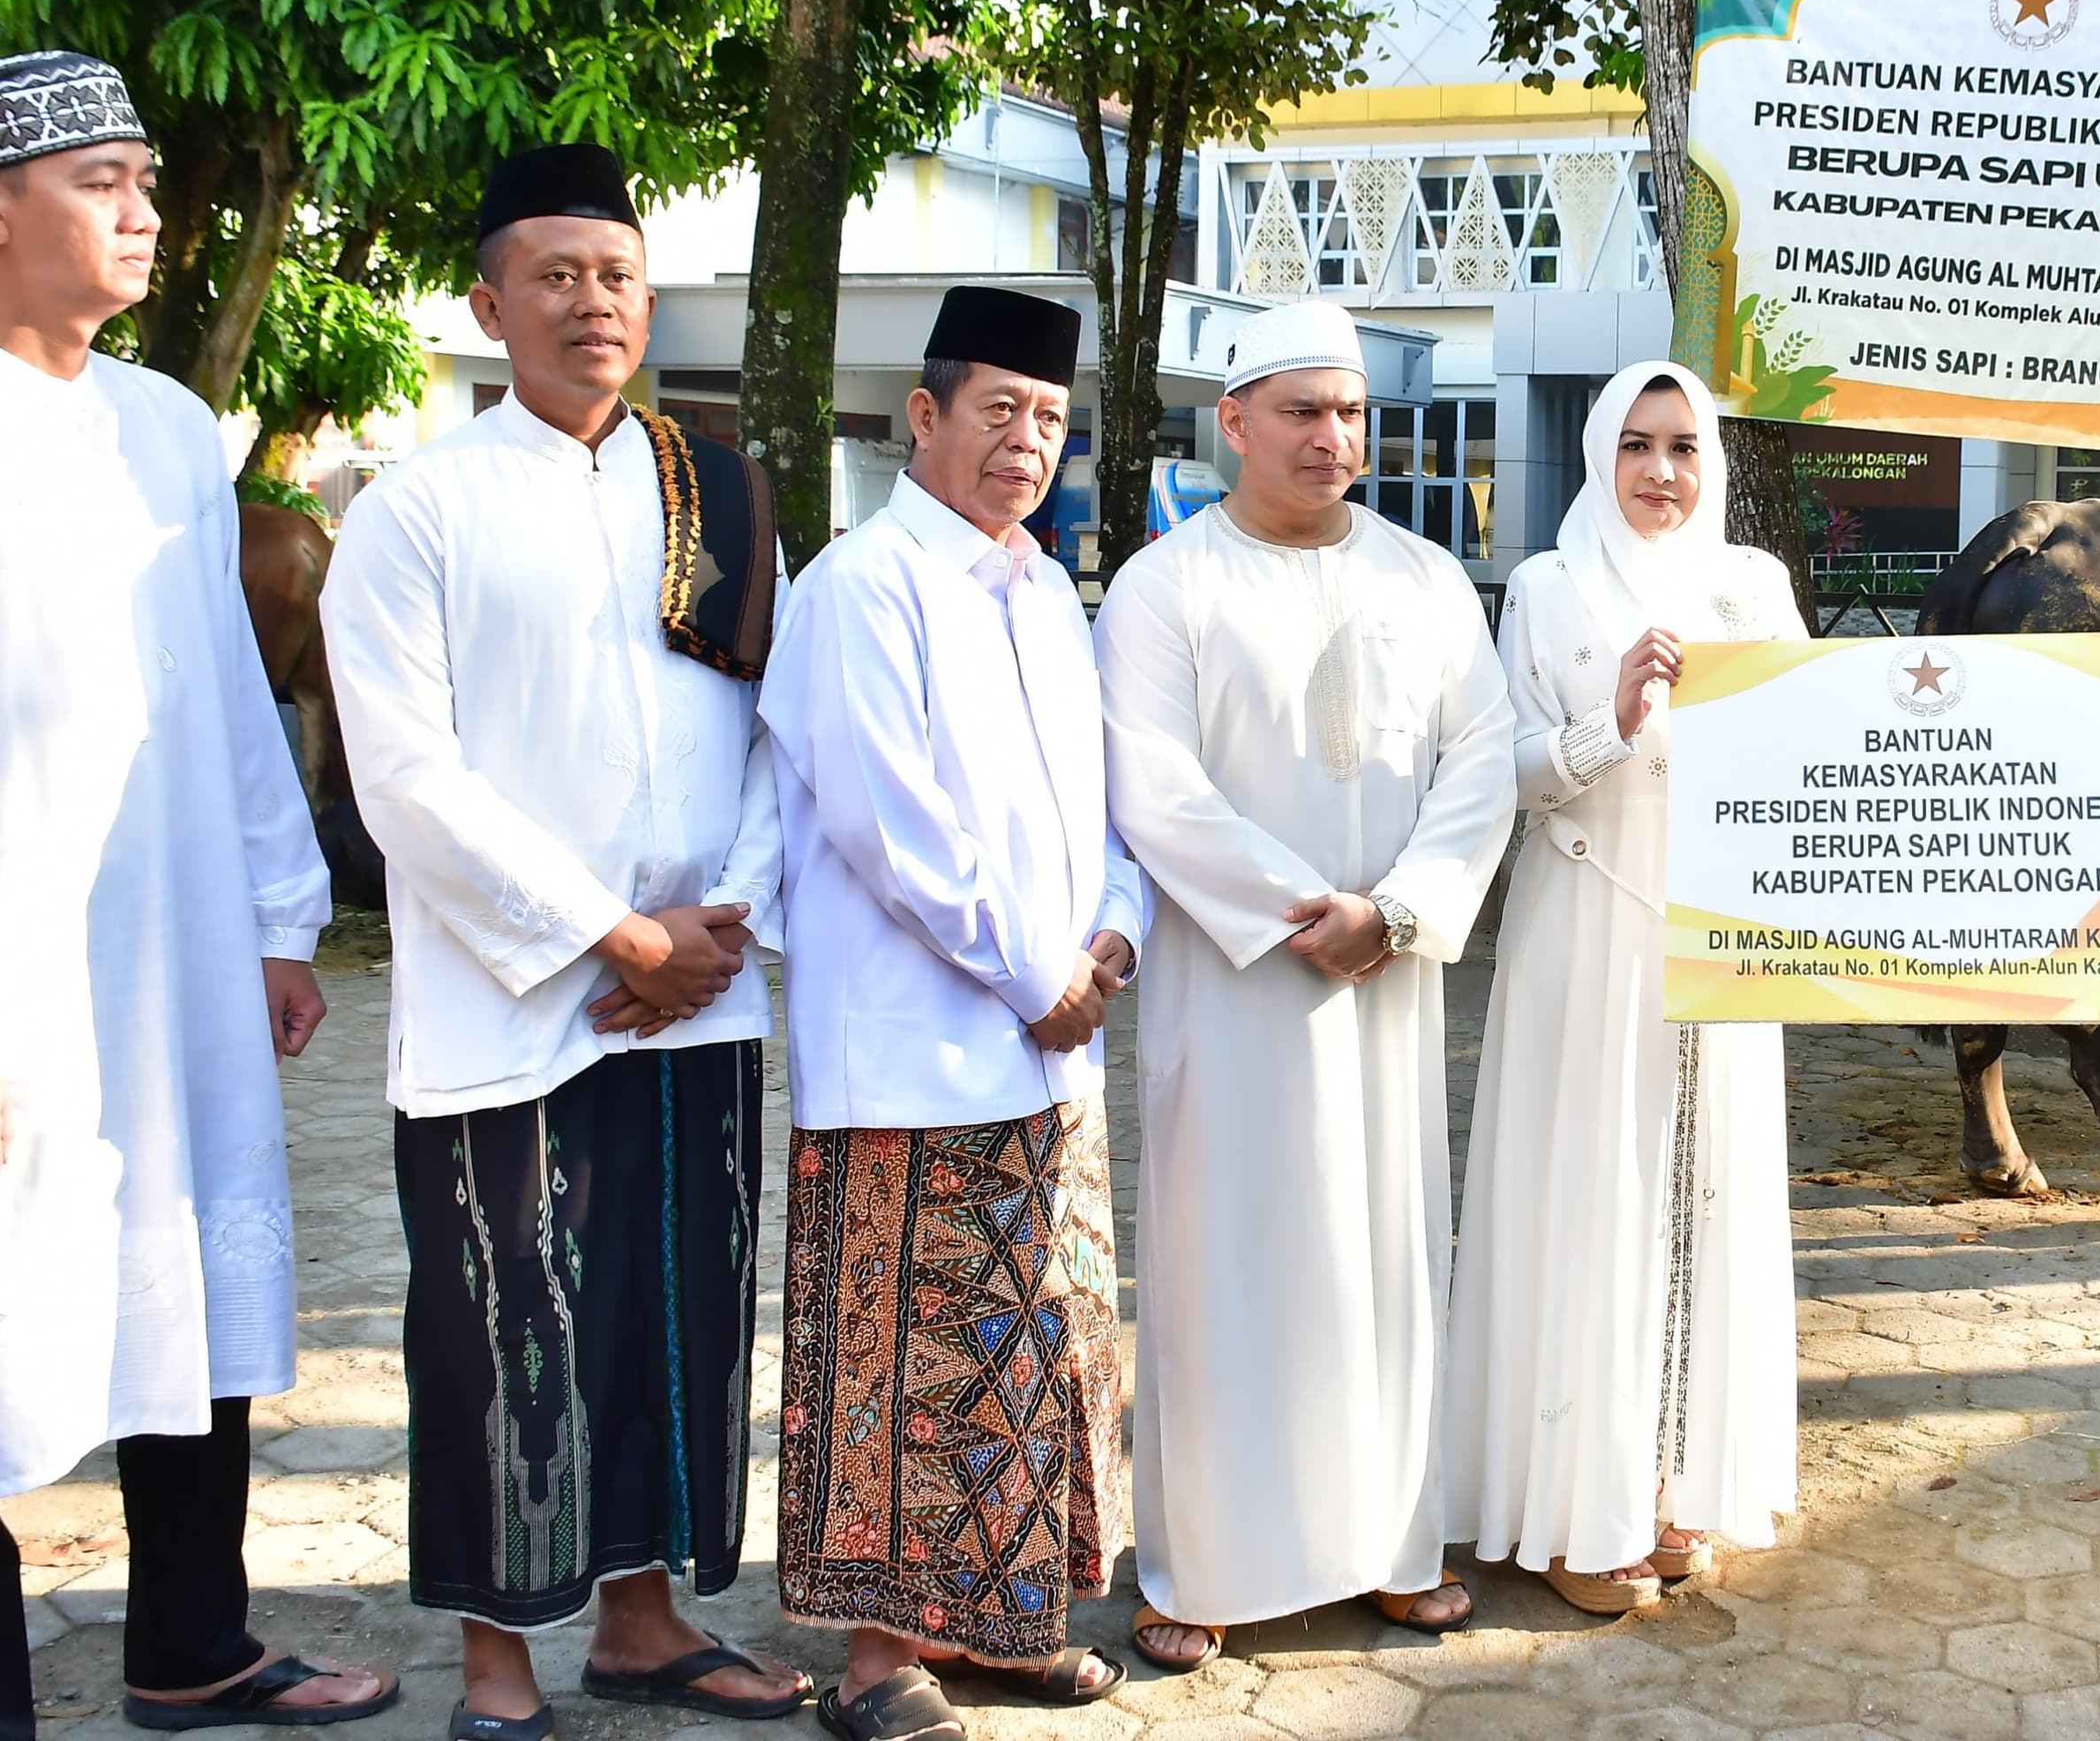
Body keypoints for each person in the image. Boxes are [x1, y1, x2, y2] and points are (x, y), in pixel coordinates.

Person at [0, 51, 396, 1739]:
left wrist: (279, 913)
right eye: (99, 182)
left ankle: (192, 1649)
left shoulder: (168, 429)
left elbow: (218, 687)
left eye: (142, 178)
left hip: (175, 950)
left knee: (185, 1281)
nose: (143, 212)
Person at [319, 144, 807, 1737]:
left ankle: (648, 1623)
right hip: (512, 999)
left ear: (647, 298)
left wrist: (708, 932)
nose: (591, 303)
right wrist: (613, 933)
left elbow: (774, 734)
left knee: (679, 1309)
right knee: (503, 1318)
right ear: (489, 301)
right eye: (555, 276)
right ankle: (499, 1659)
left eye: (615, 275)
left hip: (697, 1000)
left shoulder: (720, 492)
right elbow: (404, 774)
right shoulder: (417, 510)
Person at [1092, 298, 1518, 1671]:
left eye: (1351, 413)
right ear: (1231, 425)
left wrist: (1391, 914)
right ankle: (1202, 1563)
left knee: (1386, 1263)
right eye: (1302, 412)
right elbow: (1155, 790)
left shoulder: (1426, 579)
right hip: (1236, 995)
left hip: (1388, 983)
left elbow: (1484, 762)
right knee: (1228, 1265)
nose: (1335, 438)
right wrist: (1300, 917)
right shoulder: (1167, 588)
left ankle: (1391, 1550)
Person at [757, 286, 1144, 1741]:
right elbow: (887, 828)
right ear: (925, 417)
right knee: (902, 1355)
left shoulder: (1048, 591)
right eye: (1001, 412)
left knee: (1034, 1348)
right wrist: (1029, 972)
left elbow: (1104, 817)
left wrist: (1111, 936)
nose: (1027, 445)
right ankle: (875, 1662)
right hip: (914, 1050)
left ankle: (1001, 1626)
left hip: (1051, 1042)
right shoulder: (862, 585)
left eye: (1051, 420)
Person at [1444, 360, 1802, 1615]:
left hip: (1720, 937)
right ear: (1601, 455)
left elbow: (1823, 749)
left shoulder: (1753, 585)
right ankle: (1573, 1510)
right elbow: (1512, 770)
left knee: (1703, 1191)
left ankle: (1672, 1488)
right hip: (1588, 920)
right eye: (1638, 446)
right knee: (1593, 1196)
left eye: (1686, 447)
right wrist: (1618, 710)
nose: (1661, 472)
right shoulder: (1545, 587)